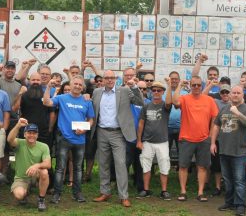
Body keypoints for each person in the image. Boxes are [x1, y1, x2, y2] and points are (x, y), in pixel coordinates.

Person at [91, 69, 144, 207]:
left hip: (118, 133)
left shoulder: (124, 91)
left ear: (116, 79)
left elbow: (140, 102)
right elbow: (92, 109)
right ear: (102, 80)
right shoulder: (97, 92)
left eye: (112, 77)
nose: (109, 80)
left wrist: (134, 87)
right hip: (101, 131)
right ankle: (105, 192)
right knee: (103, 163)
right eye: (107, 78)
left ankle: (123, 196)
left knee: (120, 164)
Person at [43, 75, 94, 204]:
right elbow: (46, 102)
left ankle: (77, 194)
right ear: (70, 85)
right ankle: (56, 194)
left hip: (80, 140)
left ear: (83, 88)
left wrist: (85, 129)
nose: (77, 86)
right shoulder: (61, 98)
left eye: (80, 85)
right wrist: (49, 87)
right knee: (60, 168)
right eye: (75, 84)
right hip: (64, 138)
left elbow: (91, 119)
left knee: (77, 168)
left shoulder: (86, 101)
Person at [172, 74, 219, 201]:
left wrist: (210, 135)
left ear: (202, 85)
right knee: (183, 166)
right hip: (186, 138)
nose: (196, 87)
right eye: (194, 85)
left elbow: (215, 118)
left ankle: (200, 192)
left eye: (199, 85)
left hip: (204, 139)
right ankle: (183, 191)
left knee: (202, 167)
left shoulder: (209, 100)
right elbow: (175, 102)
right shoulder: (185, 98)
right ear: (190, 86)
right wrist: (179, 85)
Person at [212, 86, 246, 216]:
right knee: (227, 179)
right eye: (233, 93)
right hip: (224, 150)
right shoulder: (224, 108)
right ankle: (229, 202)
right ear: (230, 95)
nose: (235, 95)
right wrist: (213, 142)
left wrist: (237, 113)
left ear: (243, 95)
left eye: (238, 93)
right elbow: (216, 125)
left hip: (239, 152)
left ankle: (240, 204)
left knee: (239, 180)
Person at [136, 80, 173, 199]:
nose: (156, 92)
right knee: (146, 166)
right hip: (147, 141)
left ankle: (164, 191)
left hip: (162, 142)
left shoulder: (165, 106)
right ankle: (146, 190)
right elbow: (141, 124)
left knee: (164, 166)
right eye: (154, 90)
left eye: (159, 90)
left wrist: (168, 85)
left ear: (162, 92)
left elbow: (169, 102)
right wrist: (139, 140)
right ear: (151, 92)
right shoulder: (146, 106)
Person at [7, 118, 51, 211]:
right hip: (21, 177)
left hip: (35, 175)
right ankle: (25, 193)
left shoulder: (44, 146)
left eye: (34, 133)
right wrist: (18, 125)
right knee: (19, 195)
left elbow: (48, 164)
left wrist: (37, 165)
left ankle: (41, 200)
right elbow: (9, 139)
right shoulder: (19, 143)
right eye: (29, 133)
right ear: (25, 134)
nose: (31, 135)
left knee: (44, 172)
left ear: (37, 135)